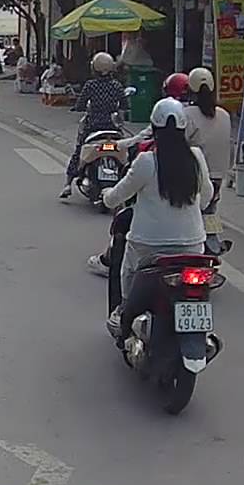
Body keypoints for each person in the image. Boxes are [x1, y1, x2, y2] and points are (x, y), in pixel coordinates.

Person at [102, 98, 214, 339]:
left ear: (154, 128)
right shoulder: (196, 157)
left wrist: (106, 195)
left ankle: (123, 312)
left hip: (148, 246)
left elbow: (117, 196)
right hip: (192, 245)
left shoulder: (146, 161)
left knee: (127, 272)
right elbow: (206, 197)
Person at [61, 51, 126, 199]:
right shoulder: (117, 86)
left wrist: (77, 107)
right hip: (113, 127)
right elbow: (124, 106)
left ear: (94, 68)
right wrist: (120, 120)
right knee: (127, 152)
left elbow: (80, 104)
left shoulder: (90, 85)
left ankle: (68, 184)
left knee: (79, 151)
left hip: (93, 126)